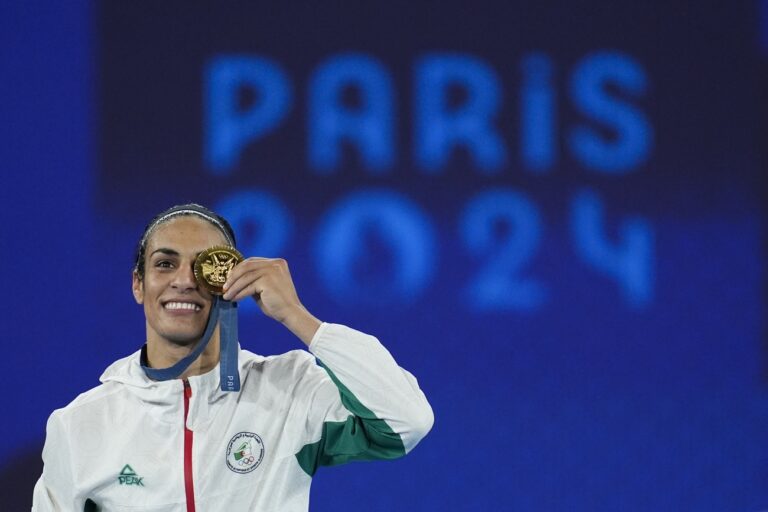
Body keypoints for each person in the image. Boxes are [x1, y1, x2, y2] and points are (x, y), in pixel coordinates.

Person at [32, 203, 433, 511]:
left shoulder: (291, 390)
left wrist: (298, 317)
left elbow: (406, 420)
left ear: (228, 282)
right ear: (139, 284)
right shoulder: (81, 424)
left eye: (204, 267)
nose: (185, 281)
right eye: (165, 264)